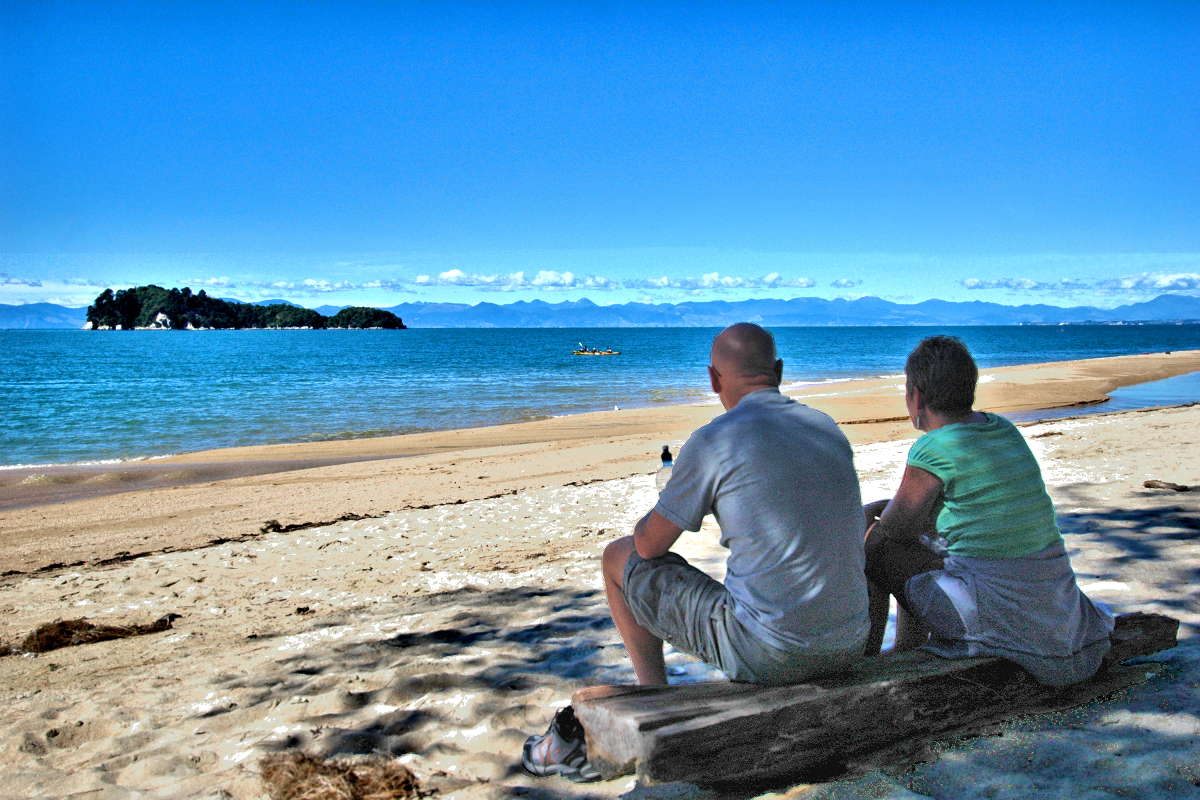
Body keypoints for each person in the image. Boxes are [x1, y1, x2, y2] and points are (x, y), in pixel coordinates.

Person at [602, 322, 870, 686]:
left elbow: (649, 546)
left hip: (770, 652)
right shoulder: (827, 428)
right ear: (778, 371)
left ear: (713, 380)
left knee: (618, 555)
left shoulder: (714, 441)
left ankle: (652, 692)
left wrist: (669, 499)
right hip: (850, 643)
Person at [863, 335, 1113, 685]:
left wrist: (870, 515)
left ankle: (866, 659)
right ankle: (907, 646)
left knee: (875, 546)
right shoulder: (1002, 429)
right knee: (918, 547)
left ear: (916, 396)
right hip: (1052, 598)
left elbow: (895, 531)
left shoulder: (932, 448)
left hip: (996, 610)